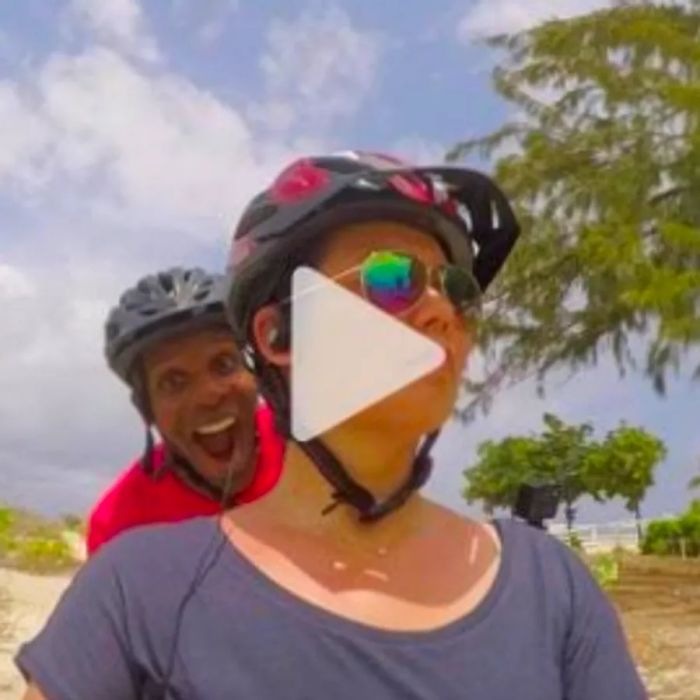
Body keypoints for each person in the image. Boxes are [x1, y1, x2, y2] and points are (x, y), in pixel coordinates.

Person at [17, 153, 646, 699]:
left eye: (456, 289)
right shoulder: (133, 587)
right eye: (391, 279)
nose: (441, 313)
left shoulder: (552, 585)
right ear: (277, 334)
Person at [86, 266, 284, 555]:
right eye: (173, 382)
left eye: (224, 364)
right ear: (146, 410)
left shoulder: (315, 448)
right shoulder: (120, 524)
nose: (208, 396)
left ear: (255, 373)